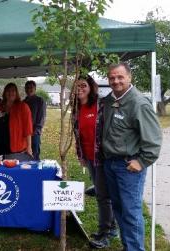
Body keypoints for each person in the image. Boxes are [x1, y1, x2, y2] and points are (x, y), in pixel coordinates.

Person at [102, 63, 162, 251]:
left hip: (128, 167)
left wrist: (142, 162)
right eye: (112, 78)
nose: (116, 81)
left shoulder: (138, 103)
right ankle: (128, 246)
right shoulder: (110, 101)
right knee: (119, 210)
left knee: (131, 212)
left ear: (130, 77)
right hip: (111, 163)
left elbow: (153, 139)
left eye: (120, 77)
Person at [72, 76, 116, 249]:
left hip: (103, 157)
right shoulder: (76, 108)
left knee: (103, 196)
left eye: (83, 85)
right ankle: (112, 228)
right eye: (76, 86)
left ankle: (104, 233)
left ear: (91, 87)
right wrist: (80, 155)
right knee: (101, 192)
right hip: (88, 157)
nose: (80, 89)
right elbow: (78, 134)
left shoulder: (101, 105)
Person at [0, 83, 33, 161]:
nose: (10, 93)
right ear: (4, 93)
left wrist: (29, 147)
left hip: (16, 148)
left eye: (13, 91)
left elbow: (28, 128)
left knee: (14, 172)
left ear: (16, 93)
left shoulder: (23, 107)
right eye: (8, 91)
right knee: (1, 172)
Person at [24, 80, 46, 160]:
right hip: (24, 135)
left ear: (35, 89)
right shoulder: (23, 102)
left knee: (34, 156)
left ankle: (35, 172)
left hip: (34, 134)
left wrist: (35, 131)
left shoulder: (40, 100)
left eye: (31, 87)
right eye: (27, 88)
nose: (29, 89)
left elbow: (41, 118)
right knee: (24, 156)